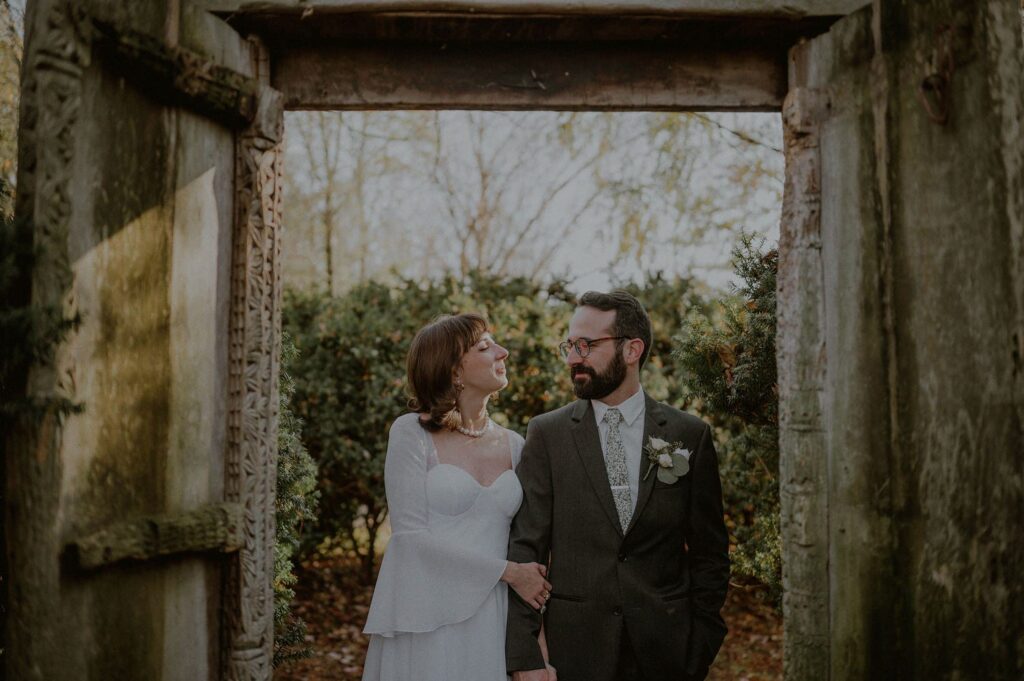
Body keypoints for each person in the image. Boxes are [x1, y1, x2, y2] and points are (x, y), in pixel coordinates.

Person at [506, 290, 730, 681]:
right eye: (571, 345)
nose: (574, 357)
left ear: (632, 350)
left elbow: (710, 554)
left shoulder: (688, 435)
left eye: (587, 345)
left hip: (667, 654)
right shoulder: (548, 434)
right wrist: (526, 656)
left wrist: (699, 647)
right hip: (573, 654)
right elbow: (527, 550)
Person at [362, 313, 554, 681]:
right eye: (485, 347)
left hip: (493, 618)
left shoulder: (516, 445)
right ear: (453, 371)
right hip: (429, 618)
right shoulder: (411, 434)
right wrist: (508, 572)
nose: (503, 352)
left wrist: (536, 648)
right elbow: (410, 539)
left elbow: (528, 548)